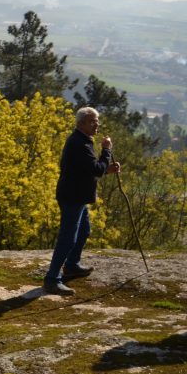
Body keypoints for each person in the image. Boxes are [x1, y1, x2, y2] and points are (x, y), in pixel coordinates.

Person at [44, 107, 120, 296]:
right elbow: (95, 169)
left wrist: (106, 169)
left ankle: (72, 264)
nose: (97, 124)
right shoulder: (80, 143)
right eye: (93, 121)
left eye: (97, 121)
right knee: (68, 237)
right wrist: (106, 151)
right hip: (72, 197)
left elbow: (90, 168)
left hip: (76, 196)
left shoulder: (82, 141)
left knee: (84, 230)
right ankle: (52, 278)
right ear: (81, 123)